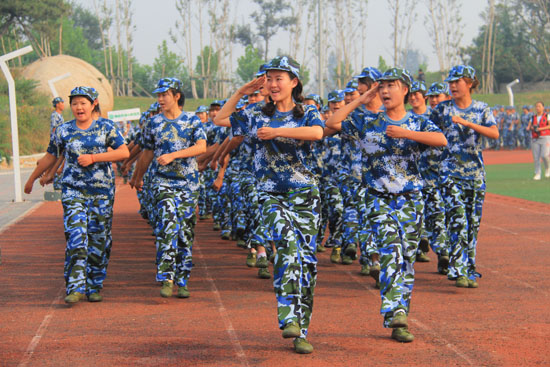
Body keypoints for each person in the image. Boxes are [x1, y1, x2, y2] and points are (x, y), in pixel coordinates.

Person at [326, 67, 447, 343]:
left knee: (406, 259)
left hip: (410, 199)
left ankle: (399, 318)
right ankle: (394, 309)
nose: (385, 91)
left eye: (391, 85)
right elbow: (332, 123)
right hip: (378, 197)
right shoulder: (367, 122)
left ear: (405, 90)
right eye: (381, 86)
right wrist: (359, 99)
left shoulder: (417, 122)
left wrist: (407, 134)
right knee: (390, 248)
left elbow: (441, 140)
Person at [215, 56, 324, 354]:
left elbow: (317, 133)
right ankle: (288, 316)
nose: (273, 84)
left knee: (306, 262)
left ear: (294, 82)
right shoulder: (256, 114)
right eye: (269, 79)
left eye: (279, 78)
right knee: (287, 245)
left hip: (305, 196)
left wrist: (278, 132)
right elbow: (221, 119)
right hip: (270, 194)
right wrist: (239, 92)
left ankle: (302, 329)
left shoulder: (307, 112)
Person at [24, 86, 129, 304]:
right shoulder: (63, 130)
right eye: (74, 103)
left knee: (99, 239)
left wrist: (94, 158)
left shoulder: (106, 127)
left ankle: (94, 285)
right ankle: (75, 286)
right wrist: (32, 178)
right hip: (73, 191)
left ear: (93, 104)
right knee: (76, 236)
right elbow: (50, 157)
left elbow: (123, 152)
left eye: (83, 103)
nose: (78, 107)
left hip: (101, 193)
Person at [133, 78, 207, 298]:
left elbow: (201, 147)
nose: (160, 99)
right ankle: (166, 276)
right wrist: (138, 176)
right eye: (158, 95)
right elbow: (146, 153)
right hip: (161, 182)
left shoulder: (192, 121)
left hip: (187, 184)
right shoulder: (153, 123)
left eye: (164, 95)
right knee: (167, 223)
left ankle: (183, 278)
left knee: (184, 230)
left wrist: (174, 154)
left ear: (176, 96)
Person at [430, 65, 499, 288]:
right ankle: (458, 269)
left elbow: (494, 133)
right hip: (449, 173)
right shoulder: (442, 110)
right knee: (458, 217)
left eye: (457, 81)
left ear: (469, 83)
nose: (452, 86)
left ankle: (469, 268)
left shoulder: (481, 109)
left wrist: (468, 123)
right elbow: (427, 131)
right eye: (450, 82)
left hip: (475, 174)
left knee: (472, 223)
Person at [527, 101, 550, 180]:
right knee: (536, 157)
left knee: (544, 155)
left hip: (545, 137)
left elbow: (549, 126)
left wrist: (540, 129)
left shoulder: (547, 116)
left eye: (539, 106)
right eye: (536, 106)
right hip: (535, 138)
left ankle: (547, 168)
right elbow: (529, 126)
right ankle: (537, 173)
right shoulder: (533, 117)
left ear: (543, 107)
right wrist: (531, 128)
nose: (537, 108)